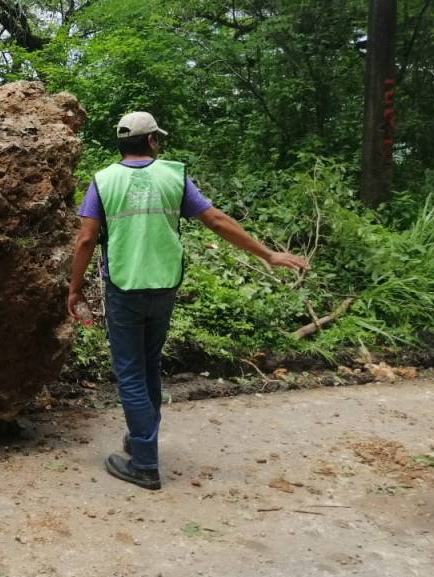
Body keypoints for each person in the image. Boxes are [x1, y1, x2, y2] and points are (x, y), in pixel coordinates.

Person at [67, 111, 310, 490]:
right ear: (151, 141)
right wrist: (268, 255)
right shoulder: (173, 175)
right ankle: (140, 437)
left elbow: (85, 240)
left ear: (121, 144)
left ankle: (145, 462)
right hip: (164, 286)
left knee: (130, 372)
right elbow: (215, 219)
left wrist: (74, 288)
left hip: (124, 288)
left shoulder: (103, 181)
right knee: (148, 366)